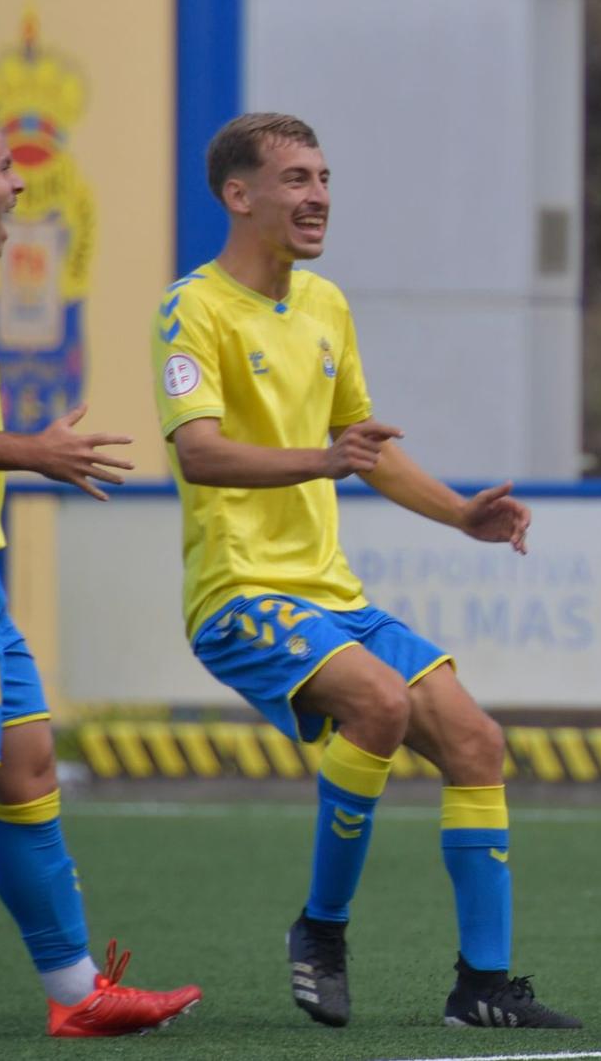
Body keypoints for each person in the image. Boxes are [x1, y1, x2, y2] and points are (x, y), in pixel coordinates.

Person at [151, 112, 577, 1030]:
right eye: (298, 179)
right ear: (239, 195)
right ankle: (322, 930)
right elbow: (201, 455)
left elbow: (365, 450)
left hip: (328, 594)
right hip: (240, 592)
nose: (320, 198)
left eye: (326, 178)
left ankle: (483, 988)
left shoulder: (325, 305)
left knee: (475, 742)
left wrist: (462, 513)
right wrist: (321, 458)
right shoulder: (192, 308)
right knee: (379, 703)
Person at [0, 92, 203, 1037]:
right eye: (4, 165)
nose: (18, 182)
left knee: (28, 766)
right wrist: (29, 451)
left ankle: (78, 995)